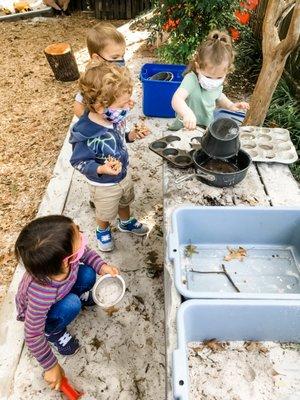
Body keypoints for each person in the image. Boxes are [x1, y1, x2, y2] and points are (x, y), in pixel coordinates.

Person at [15, 215, 119, 391]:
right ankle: (54, 332)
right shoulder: (41, 292)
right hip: (46, 313)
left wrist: (102, 266)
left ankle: (78, 295)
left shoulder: (66, 258)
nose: (82, 234)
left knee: (88, 274)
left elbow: (86, 253)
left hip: (64, 288)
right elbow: (32, 334)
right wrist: (50, 366)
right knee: (72, 304)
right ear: (66, 260)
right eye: (78, 235)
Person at [70, 60, 149, 252]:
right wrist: (100, 169)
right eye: (123, 104)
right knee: (104, 210)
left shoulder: (114, 118)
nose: (130, 105)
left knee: (125, 200)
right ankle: (102, 230)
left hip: (123, 174)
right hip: (103, 184)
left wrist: (132, 135)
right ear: (100, 107)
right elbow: (78, 161)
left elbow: (120, 139)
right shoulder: (85, 132)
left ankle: (125, 221)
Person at [170, 30, 249, 131]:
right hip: (184, 128)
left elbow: (219, 96)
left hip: (205, 128)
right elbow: (177, 99)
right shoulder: (191, 79)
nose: (213, 81)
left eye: (219, 77)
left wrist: (231, 105)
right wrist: (187, 113)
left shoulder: (217, 84)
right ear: (198, 67)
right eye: (208, 77)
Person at [74, 21, 127, 118]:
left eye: (122, 56)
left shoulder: (118, 73)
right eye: (115, 58)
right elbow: (78, 108)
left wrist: (123, 103)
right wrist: (97, 119)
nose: (121, 61)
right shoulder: (92, 79)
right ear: (97, 58)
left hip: (116, 124)